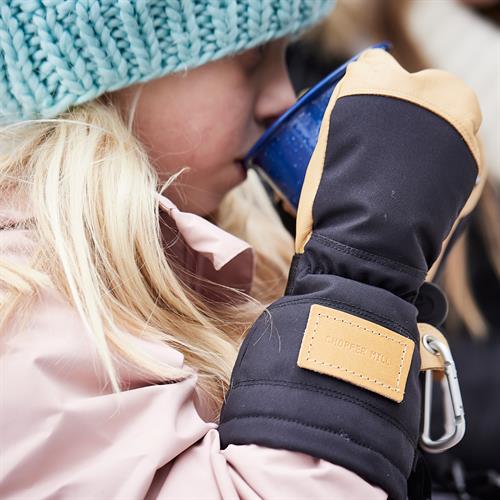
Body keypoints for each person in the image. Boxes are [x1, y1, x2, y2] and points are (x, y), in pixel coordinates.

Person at [0, 2, 483, 499]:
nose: (281, 98)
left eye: (284, 57)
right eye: (249, 61)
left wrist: (390, 289)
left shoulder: (215, 252)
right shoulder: (24, 306)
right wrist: (360, 277)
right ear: (107, 73)